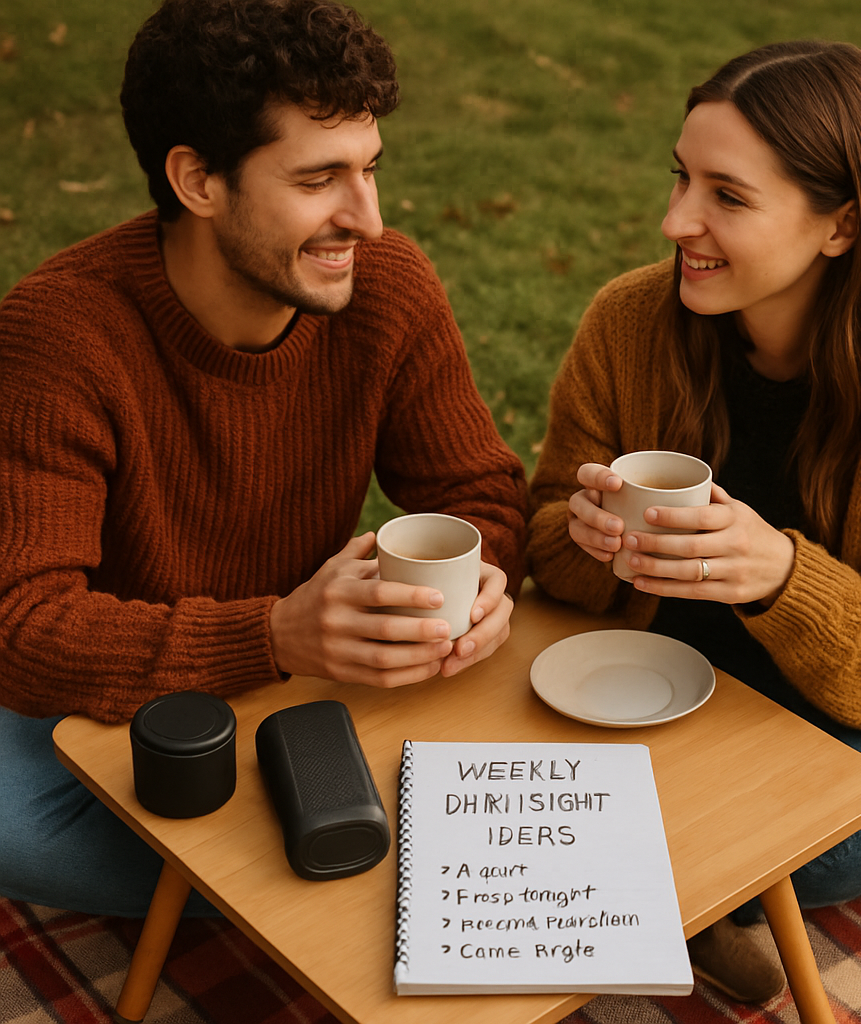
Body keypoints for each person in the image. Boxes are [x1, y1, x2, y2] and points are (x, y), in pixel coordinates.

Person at [0, 0, 527, 918]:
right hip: (128, 707)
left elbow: (479, 491)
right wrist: (270, 634)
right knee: (12, 820)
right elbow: (26, 630)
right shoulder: (59, 336)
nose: (367, 218)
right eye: (320, 179)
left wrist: (478, 575)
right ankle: (396, 881)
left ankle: (313, 874)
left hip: (320, 687)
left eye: (370, 170)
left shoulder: (386, 288)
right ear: (198, 180)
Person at [527, 40, 861, 1003]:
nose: (677, 222)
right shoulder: (630, 322)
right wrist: (585, 540)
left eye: (728, 196)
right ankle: (688, 898)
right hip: (649, 676)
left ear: (842, 224)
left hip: (849, 716)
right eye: (681, 178)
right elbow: (546, 540)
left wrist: (784, 581)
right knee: (512, 715)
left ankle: (617, 891)